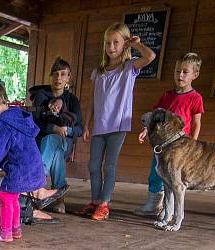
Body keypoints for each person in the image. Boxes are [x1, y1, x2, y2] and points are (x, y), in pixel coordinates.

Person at [77, 22, 156, 221]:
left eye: (116, 42)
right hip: (99, 127)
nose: (111, 47)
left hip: (118, 126)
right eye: (107, 43)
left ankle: (104, 204)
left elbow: (150, 57)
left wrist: (136, 44)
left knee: (109, 166)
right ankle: (95, 201)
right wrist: (87, 125)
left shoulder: (129, 67)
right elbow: (92, 101)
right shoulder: (99, 71)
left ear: (124, 44)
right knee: (93, 166)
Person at [0, 82, 45, 242]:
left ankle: (5, 233)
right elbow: (9, 147)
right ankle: (15, 229)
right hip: (31, 166)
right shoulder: (17, 117)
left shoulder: (3, 123)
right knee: (13, 197)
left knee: (5, 196)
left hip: (20, 168)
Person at [134, 52, 204, 217]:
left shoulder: (196, 98)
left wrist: (192, 145)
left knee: (173, 177)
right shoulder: (167, 96)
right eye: (177, 71)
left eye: (185, 72)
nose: (180, 75)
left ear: (195, 74)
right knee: (156, 172)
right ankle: (153, 204)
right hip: (161, 145)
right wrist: (146, 130)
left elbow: (196, 123)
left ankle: (168, 210)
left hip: (180, 148)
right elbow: (155, 118)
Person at [29, 57, 84, 215]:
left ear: (68, 77)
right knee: (54, 149)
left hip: (65, 141)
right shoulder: (41, 96)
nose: (58, 78)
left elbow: (79, 128)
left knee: (54, 142)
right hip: (42, 142)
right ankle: (59, 197)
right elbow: (34, 123)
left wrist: (67, 130)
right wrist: (53, 128)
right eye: (55, 74)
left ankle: (38, 184)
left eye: (62, 74)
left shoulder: (72, 100)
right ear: (50, 76)